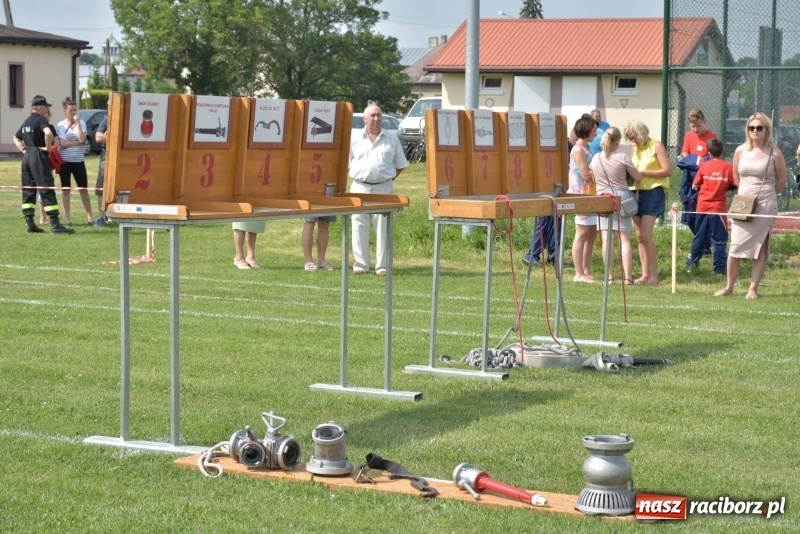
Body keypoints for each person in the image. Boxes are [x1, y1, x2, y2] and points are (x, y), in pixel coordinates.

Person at [715, 113, 787, 299]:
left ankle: (753, 289)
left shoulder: (775, 152)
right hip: (743, 204)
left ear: (766, 130)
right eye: (751, 127)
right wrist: (746, 195)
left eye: (759, 128)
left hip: (765, 203)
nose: (755, 131)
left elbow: (782, 181)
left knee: (761, 247)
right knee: (735, 245)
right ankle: (729, 287)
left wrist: (766, 195)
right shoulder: (740, 150)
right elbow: (736, 176)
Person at [348, 103, 408, 275]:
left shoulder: (391, 137)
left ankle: (382, 266)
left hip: (383, 187)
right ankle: (361, 264)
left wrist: (385, 178)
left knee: (383, 227)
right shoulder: (355, 138)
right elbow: (346, 164)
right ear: (365, 119)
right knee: (359, 225)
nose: (376, 119)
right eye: (373, 116)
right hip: (359, 186)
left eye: (379, 115)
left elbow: (400, 164)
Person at [13, 95, 74, 234]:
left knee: (29, 190)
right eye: (46, 107)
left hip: (27, 157)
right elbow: (48, 133)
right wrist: (47, 148)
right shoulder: (41, 120)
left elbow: (16, 137)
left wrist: (23, 150)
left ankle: (30, 223)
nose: (47, 110)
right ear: (40, 108)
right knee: (46, 188)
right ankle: (55, 225)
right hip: (39, 156)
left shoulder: (26, 122)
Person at [590, 127, 643, 285]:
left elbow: (594, 179)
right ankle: (627, 277)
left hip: (602, 198)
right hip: (621, 197)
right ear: (617, 142)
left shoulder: (595, 158)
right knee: (624, 239)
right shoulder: (622, 157)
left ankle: (610, 277)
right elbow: (637, 177)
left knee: (606, 239)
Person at [624, 119, 672, 285]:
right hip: (634, 192)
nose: (633, 140)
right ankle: (645, 274)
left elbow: (667, 170)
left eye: (634, 136)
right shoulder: (634, 149)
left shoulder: (656, 146)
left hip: (653, 192)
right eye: (630, 138)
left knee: (646, 235)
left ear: (642, 132)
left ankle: (654, 274)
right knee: (639, 236)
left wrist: (643, 173)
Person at [686, 138, 735, 275]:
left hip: (702, 207)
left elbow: (695, 185)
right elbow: (735, 183)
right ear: (722, 151)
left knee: (699, 236)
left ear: (709, 152)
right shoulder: (728, 167)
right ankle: (719, 269)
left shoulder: (704, 166)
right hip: (718, 209)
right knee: (719, 239)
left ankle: (692, 264)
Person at [567, 114, 598, 282]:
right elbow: (586, 175)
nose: (595, 133)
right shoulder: (578, 149)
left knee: (591, 233)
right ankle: (578, 273)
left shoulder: (587, 148)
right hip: (581, 194)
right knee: (582, 233)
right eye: (593, 130)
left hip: (591, 193)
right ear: (586, 130)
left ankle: (586, 270)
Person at [679, 108, 717, 244]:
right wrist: (691, 162)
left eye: (698, 126)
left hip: (704, 179)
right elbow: (685, 154)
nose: (695, 129)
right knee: (689, 214)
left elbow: (714, 158)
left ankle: (706, 243)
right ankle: (703, 241)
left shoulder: (712, 136)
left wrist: (702, 163)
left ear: (705, 121)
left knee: (702, 211)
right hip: (689, 176)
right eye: (693, 126)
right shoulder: (688, 135)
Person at [56, 97, 94, 225]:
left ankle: (90, 217)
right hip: (65, 161)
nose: (73, 113)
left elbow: (83, 139)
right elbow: (63, 144)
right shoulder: (60, 125)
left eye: (75, 110)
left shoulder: (81, 123)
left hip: (79, 160)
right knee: (66, 190)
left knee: (83, 189)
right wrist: (77, 143)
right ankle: (67, 218)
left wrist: (77, 125)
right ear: (65, 111)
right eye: (71, 110)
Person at [93, 108, 109, 226]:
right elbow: (98, 138)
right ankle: (101, 217)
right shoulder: (105, 122)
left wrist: (107, 136)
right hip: (106, 157)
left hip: (122, 157)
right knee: (101, 188)